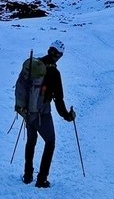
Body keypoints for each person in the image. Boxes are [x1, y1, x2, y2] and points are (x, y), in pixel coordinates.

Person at [23, 39, 76, 188]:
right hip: (42, 113)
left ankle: (28, 176)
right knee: (50, 142)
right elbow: (59, 100)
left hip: (28, 112)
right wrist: (67, 116)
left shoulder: (35, 65)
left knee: (31, 141)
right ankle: (42, 179)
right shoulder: (54, 73)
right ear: (59, 55)